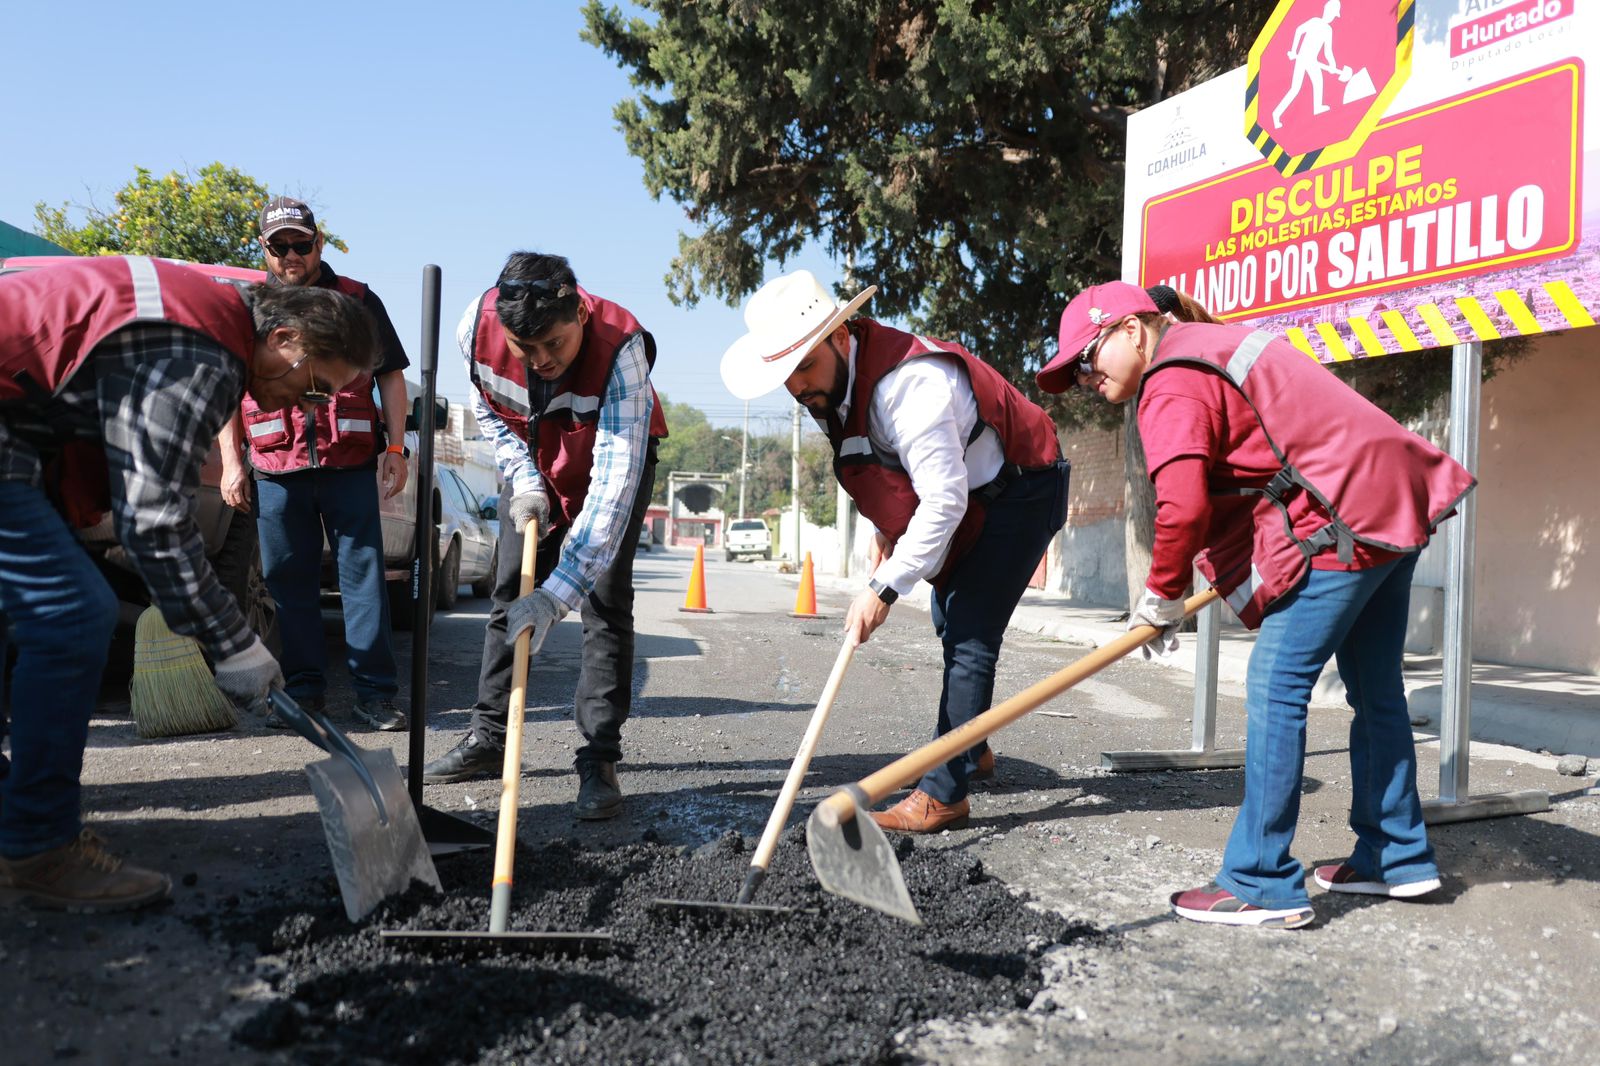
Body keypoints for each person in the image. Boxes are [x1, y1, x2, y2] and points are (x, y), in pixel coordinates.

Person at [1036, 280, 1475, 928]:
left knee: (1276, 684)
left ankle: (1262, 881)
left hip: (1346, 516)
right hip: (1390, 499)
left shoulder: (1172, 379)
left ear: (1130, 330)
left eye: (1085, 360)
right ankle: (1394, 856)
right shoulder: (1209, 346)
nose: (1082, 379)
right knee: (1376, 688)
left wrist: (1160, 595)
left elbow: (1181, 506)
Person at [0, 254, 378, 911]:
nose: (310, 407)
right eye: (316, 387)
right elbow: (153, 524)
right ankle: (37, 848)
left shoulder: (199, 313)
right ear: (284, 339)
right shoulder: (205, 348)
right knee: (71, 615)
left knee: (32, 613)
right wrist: (236, 645)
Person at [721, 270, 1070, 833]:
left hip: (1021, 488)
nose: (797, 387)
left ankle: (943, 793)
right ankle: (970, 742)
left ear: (840, 337)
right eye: (786, 376)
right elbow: (889, 468)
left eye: (804, 366)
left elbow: (945, 499)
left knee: (970, 634)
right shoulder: (836, 386)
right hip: (973, 494)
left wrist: (884, 589)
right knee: (947, 614)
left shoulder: (909, 386)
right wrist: (889, 528)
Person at [423, 252, 667, 820]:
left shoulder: (622, 348)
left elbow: (609, 492)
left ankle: (598, 757)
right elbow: (487, 412)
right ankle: (489, 738)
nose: (541, 361)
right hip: (532, 459)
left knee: (604, 601)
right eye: (524, 348)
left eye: (553, 344)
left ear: (579, 312)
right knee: (508, 591)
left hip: (609, 462)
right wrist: (525, 477)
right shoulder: (474, 328)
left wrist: (558, 597)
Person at [217, 197, 412, 731]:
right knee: (286, 582)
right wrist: (233, 463)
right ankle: (304, 693)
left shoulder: (357, 300)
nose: (290, 256)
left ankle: (375, 695)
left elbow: (390, 374)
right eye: (278, 247)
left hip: (348, 463)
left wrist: (395, 449)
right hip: (276, 466)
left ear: (318, 243)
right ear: (265, 250)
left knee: (364, 581)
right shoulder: (249, 309)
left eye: (300, 244)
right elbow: (229, 388)